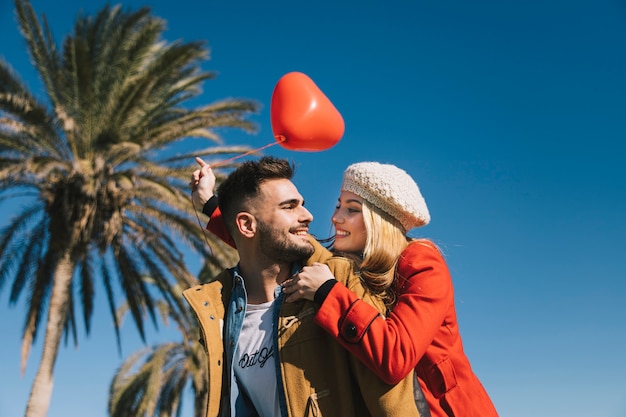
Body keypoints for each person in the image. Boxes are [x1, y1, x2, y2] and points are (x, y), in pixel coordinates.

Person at [196, 159, 499, 417]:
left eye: (352, 210)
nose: (334, 218)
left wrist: (328, 292)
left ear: (380, 220)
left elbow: (397, 355)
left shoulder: (421, 262)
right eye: (338, 206)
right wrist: (211, 203)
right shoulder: (347, 264)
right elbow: (270, 243)